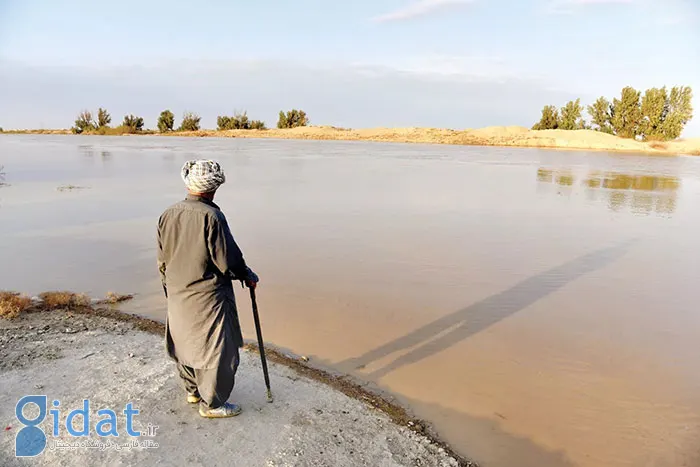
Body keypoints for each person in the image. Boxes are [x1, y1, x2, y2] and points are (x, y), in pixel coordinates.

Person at [157, 159, 259, 418]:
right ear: (214, 187)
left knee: (184, 341)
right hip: (208, 297)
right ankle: (212, 404)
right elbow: (227, 261)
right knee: (217, 350)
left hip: (178, 292)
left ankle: (192, 391)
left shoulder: (168, 214)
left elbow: (162, 259)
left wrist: (168, 289)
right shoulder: (213, 216)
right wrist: (247, 275)